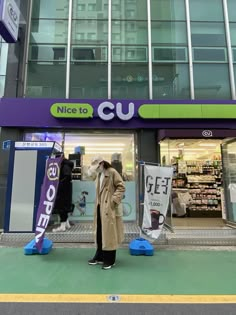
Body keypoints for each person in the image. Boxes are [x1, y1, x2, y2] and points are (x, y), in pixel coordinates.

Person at [87, 155, 125, 270]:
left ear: (102, 163)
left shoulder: (112, 172)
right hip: (100, 206)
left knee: (109, 233)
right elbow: (89, 176)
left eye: (97, 166)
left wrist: (113, 201)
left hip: (109, 207)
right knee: (100, 231)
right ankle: (99, 256)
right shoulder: (99, 174)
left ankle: (110, 259)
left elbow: (121, 187)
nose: (96, 169)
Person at [52, 155, 74, 232]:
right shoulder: (67, 164)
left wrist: (58, 183)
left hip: (63, 190)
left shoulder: (64, 165)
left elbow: (66, 176)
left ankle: (62, 226)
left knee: (62, 207)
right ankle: (66, 223)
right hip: (66, 190)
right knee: (64, 206)